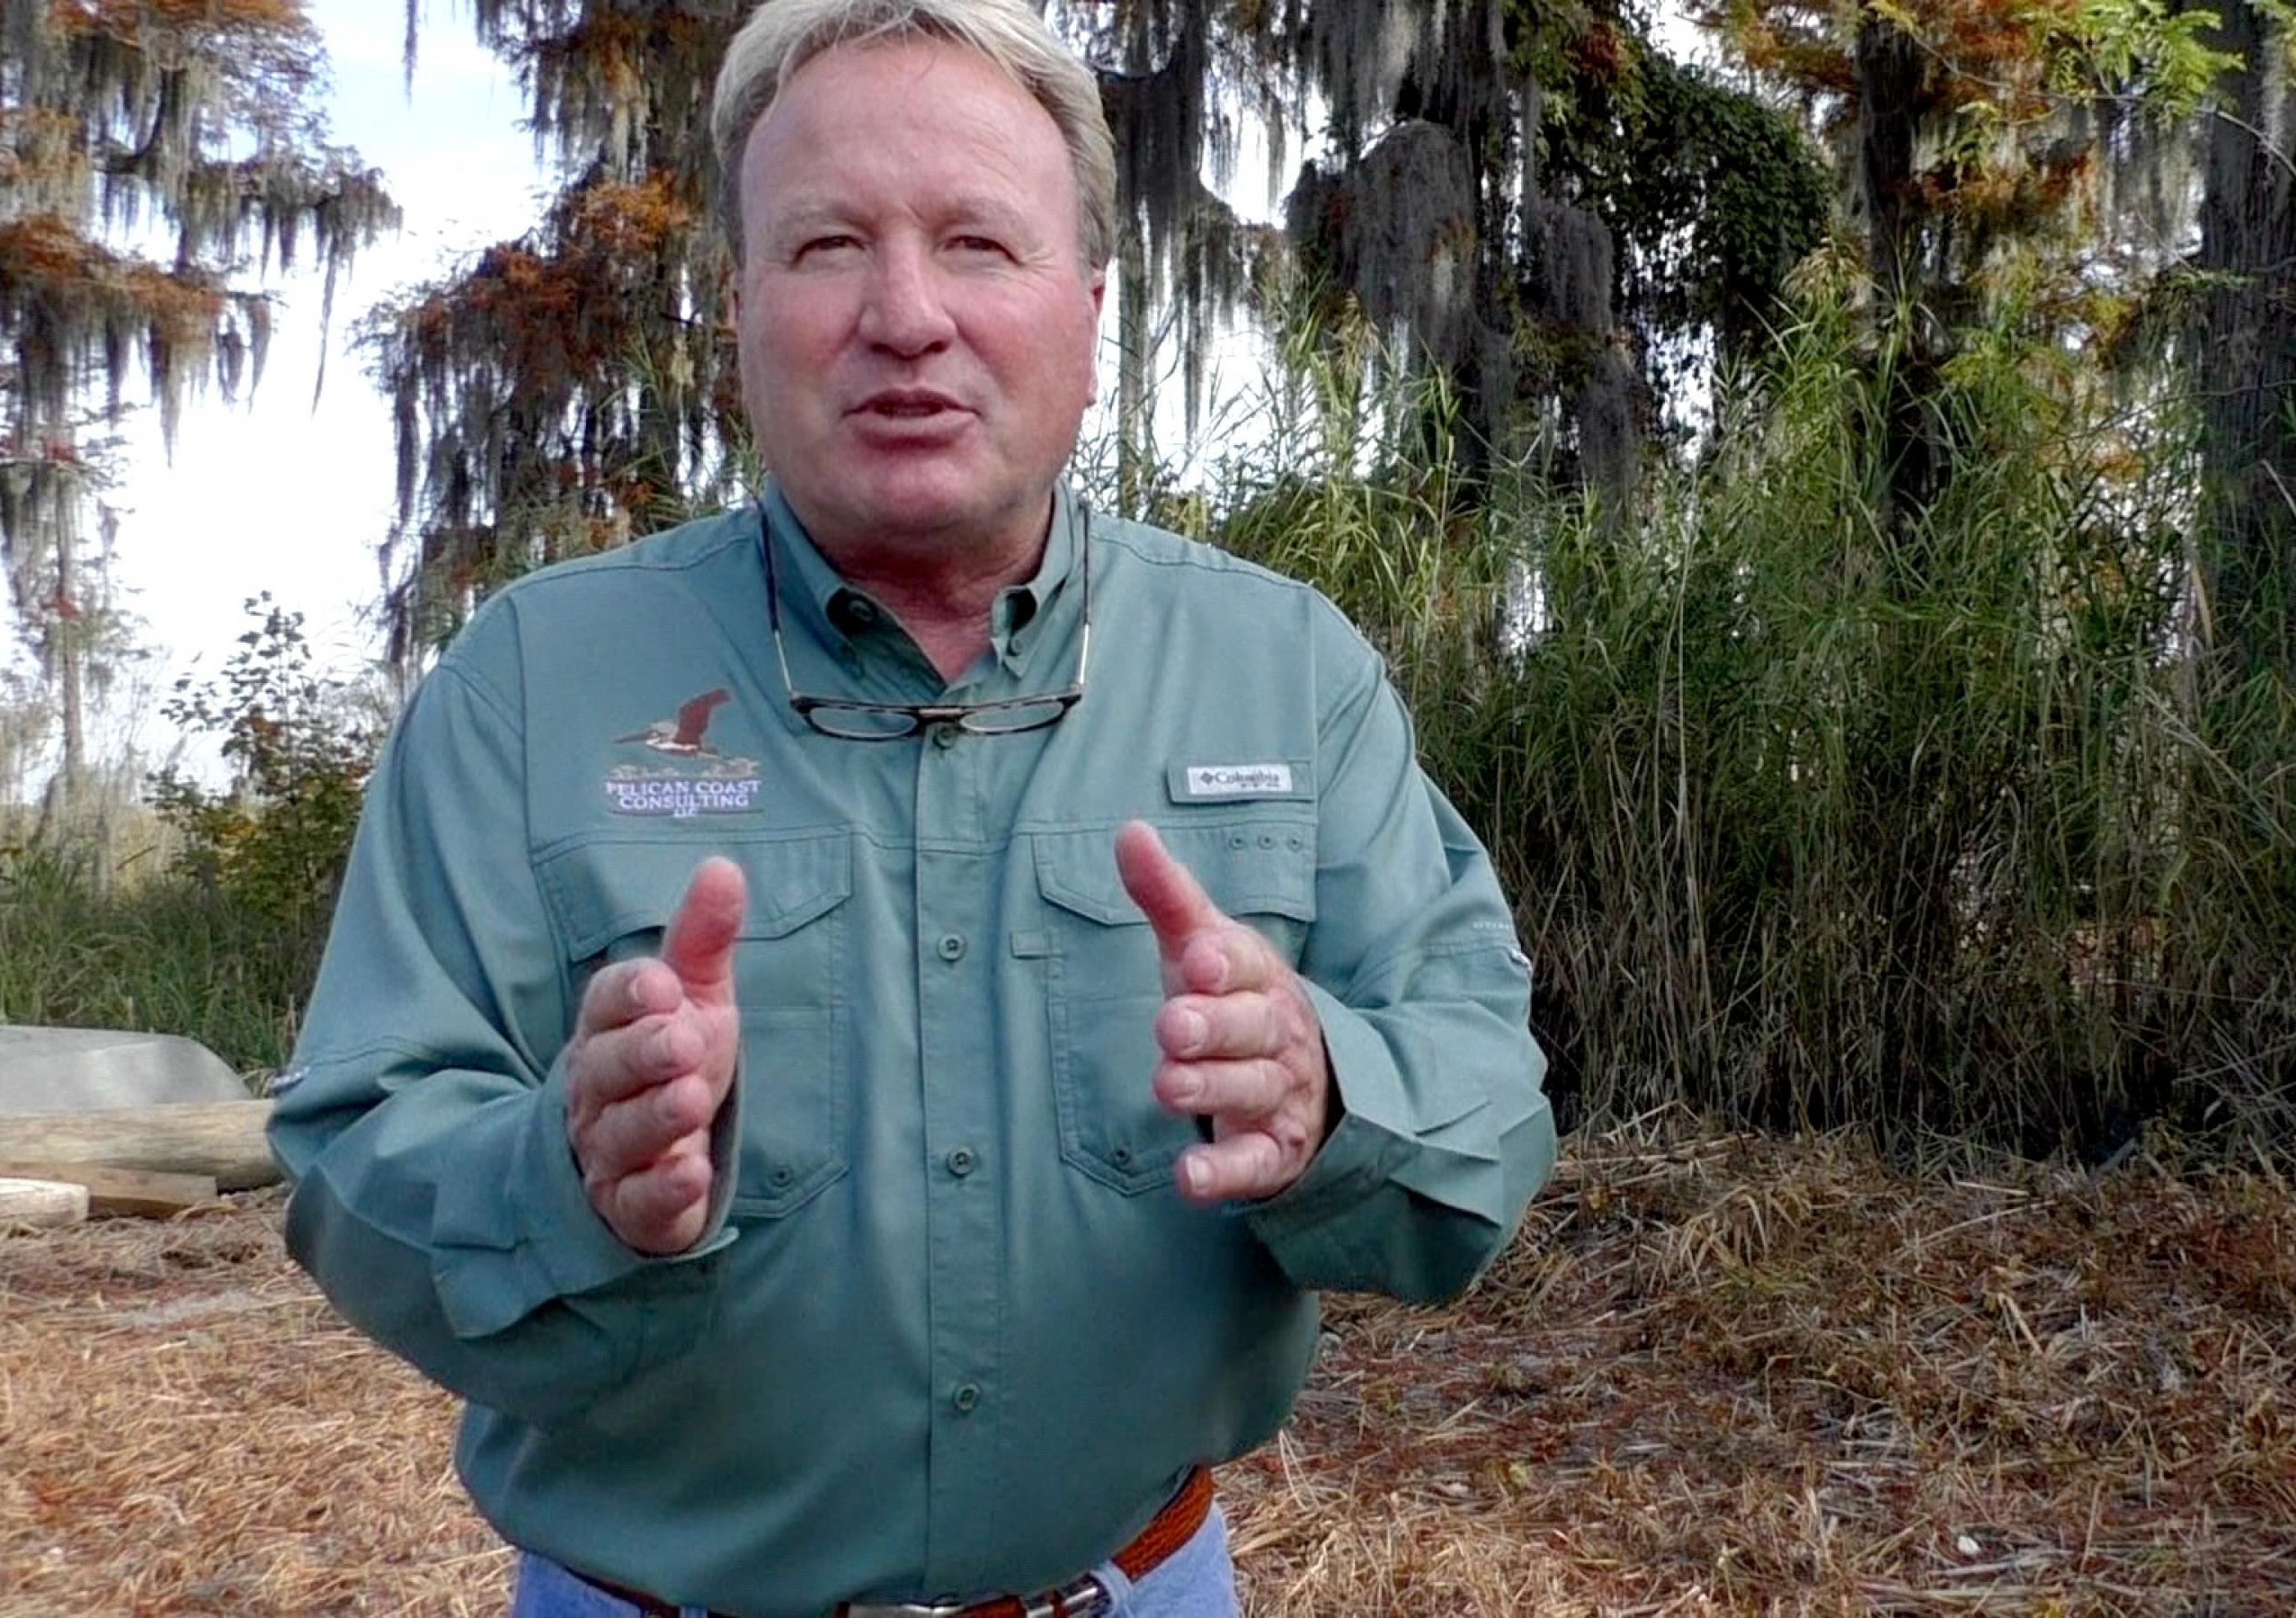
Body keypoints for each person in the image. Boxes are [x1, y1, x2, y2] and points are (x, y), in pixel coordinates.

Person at [263, 0, 1556, 1613]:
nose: (905, 314)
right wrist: (564, 1180)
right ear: (739, 309)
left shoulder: (1281, 669)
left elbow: (1487, 1099)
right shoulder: (537, 682)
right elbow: (348, 1150)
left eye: (976, 244)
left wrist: (1330, 1090)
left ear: (1088, 309)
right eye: (824, 247)